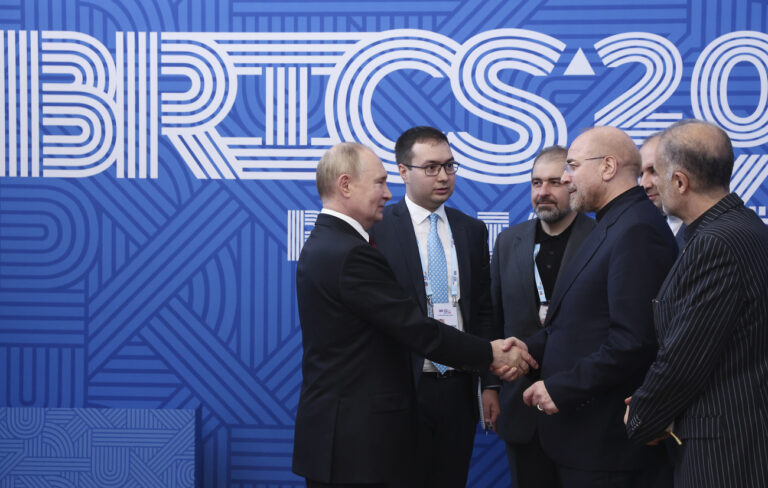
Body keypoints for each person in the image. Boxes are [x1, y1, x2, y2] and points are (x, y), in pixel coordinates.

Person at [292, 142, 536, 487]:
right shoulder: (349, 253)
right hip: (355, 440)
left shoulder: (332, 242)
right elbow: (415, 329)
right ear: (345, 185)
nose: (387, 193)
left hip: (354, 434)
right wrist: (490, 352)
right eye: (379, 182)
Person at [521, 126, 677, 488]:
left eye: (573, 165)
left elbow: (634, 340)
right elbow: (581, 323)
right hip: (584, 443)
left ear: (608, 167)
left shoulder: (637, 229)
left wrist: (562, 388)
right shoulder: (612, 224)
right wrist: (528, 349)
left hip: (608, 449)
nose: (565, 176)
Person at [625, 120, 768, 488]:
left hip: (723, 451)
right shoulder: (746, 228)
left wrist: (642, 415)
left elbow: (684, 359)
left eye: (655, 172)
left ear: (680, 182)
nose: (646, 184)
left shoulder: (715, 244)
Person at [370, 126, 495, 488]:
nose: (443, 176)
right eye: (431, 167)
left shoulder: (471, 230)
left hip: (459, 388)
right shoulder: (378, 228)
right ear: (403, 171)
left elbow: (482, 310)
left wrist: (489, 384)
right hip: (401, 387)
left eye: (450, 166)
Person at [490, 145, 595, 488]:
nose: (543, 192)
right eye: (536, 183)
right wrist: (489, 386)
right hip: (520, 407)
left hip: (583, 408)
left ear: (573, 185)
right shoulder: (507, 242)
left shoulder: (601, 239)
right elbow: (493, 318)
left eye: (555, 182)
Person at [640, 133, 686, 244]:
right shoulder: (642, 233)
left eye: (654, 171)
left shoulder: (711, 236)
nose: (644, 184)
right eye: (640, 174)